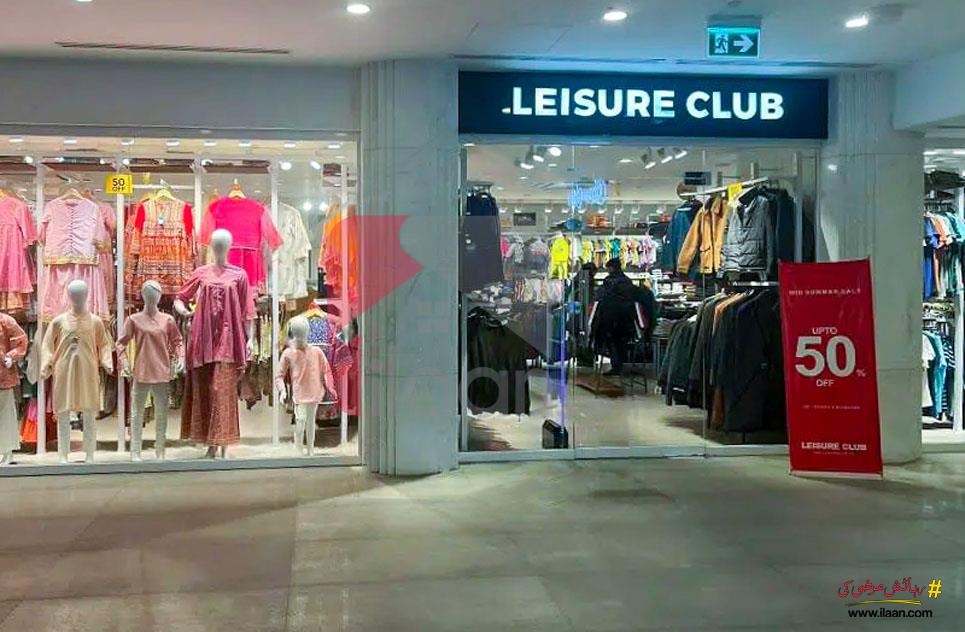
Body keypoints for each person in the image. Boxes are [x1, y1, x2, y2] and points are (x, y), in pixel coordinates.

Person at [592, 258, 656, 376]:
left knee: (611, 342)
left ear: (611, 268)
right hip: (627, 321)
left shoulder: (608, 282)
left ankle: (616, 366)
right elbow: (641, 297)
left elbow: (599, 298)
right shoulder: (627, 282)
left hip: (609, 321)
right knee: (622, 342)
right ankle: (621, 365)